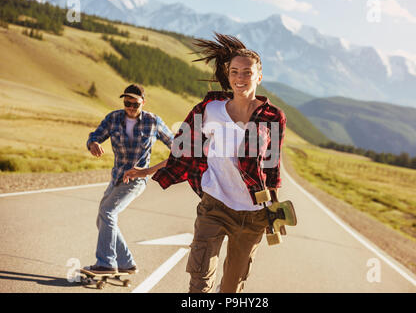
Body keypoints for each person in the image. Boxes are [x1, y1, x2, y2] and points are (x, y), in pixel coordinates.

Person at [124, 34, 286, 293]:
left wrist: (275, 208)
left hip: (253, 214)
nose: (240, 78)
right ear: (228, 74)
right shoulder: (210, 110)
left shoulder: (272, 117)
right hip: (214, 204)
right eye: (234, 71)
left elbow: (272, 166)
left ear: (259, 77)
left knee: (232, 287)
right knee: (198, 282)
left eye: (247, 72)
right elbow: (184, 152)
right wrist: (146, 170)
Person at [84, 84, 174, 275]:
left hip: (137, 180)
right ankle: (126, 263)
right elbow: (95, 135)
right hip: (117, 177)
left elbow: (178, 150)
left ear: (143, 102)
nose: (131, 107)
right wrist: (93, 143)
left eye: (135, 103)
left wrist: (149, 170)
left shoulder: (153, 121)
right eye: (127, 103)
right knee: (103, 219)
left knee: (107, 212)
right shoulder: (113, 118)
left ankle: (106, 264)